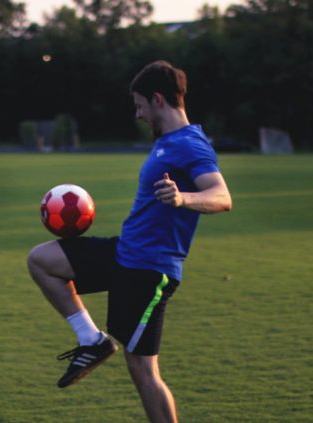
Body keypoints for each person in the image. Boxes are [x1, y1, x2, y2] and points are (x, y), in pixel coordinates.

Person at [26, 60, 233, 423]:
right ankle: (91, 340)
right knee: (42, 261)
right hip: (125, 253)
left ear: (157, 100)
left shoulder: (190, 144)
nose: (137, 114)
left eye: (139, 105)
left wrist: (183, 198)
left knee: (143, 370)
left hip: (149, 269)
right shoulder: (167, 143)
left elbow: (221, 196)